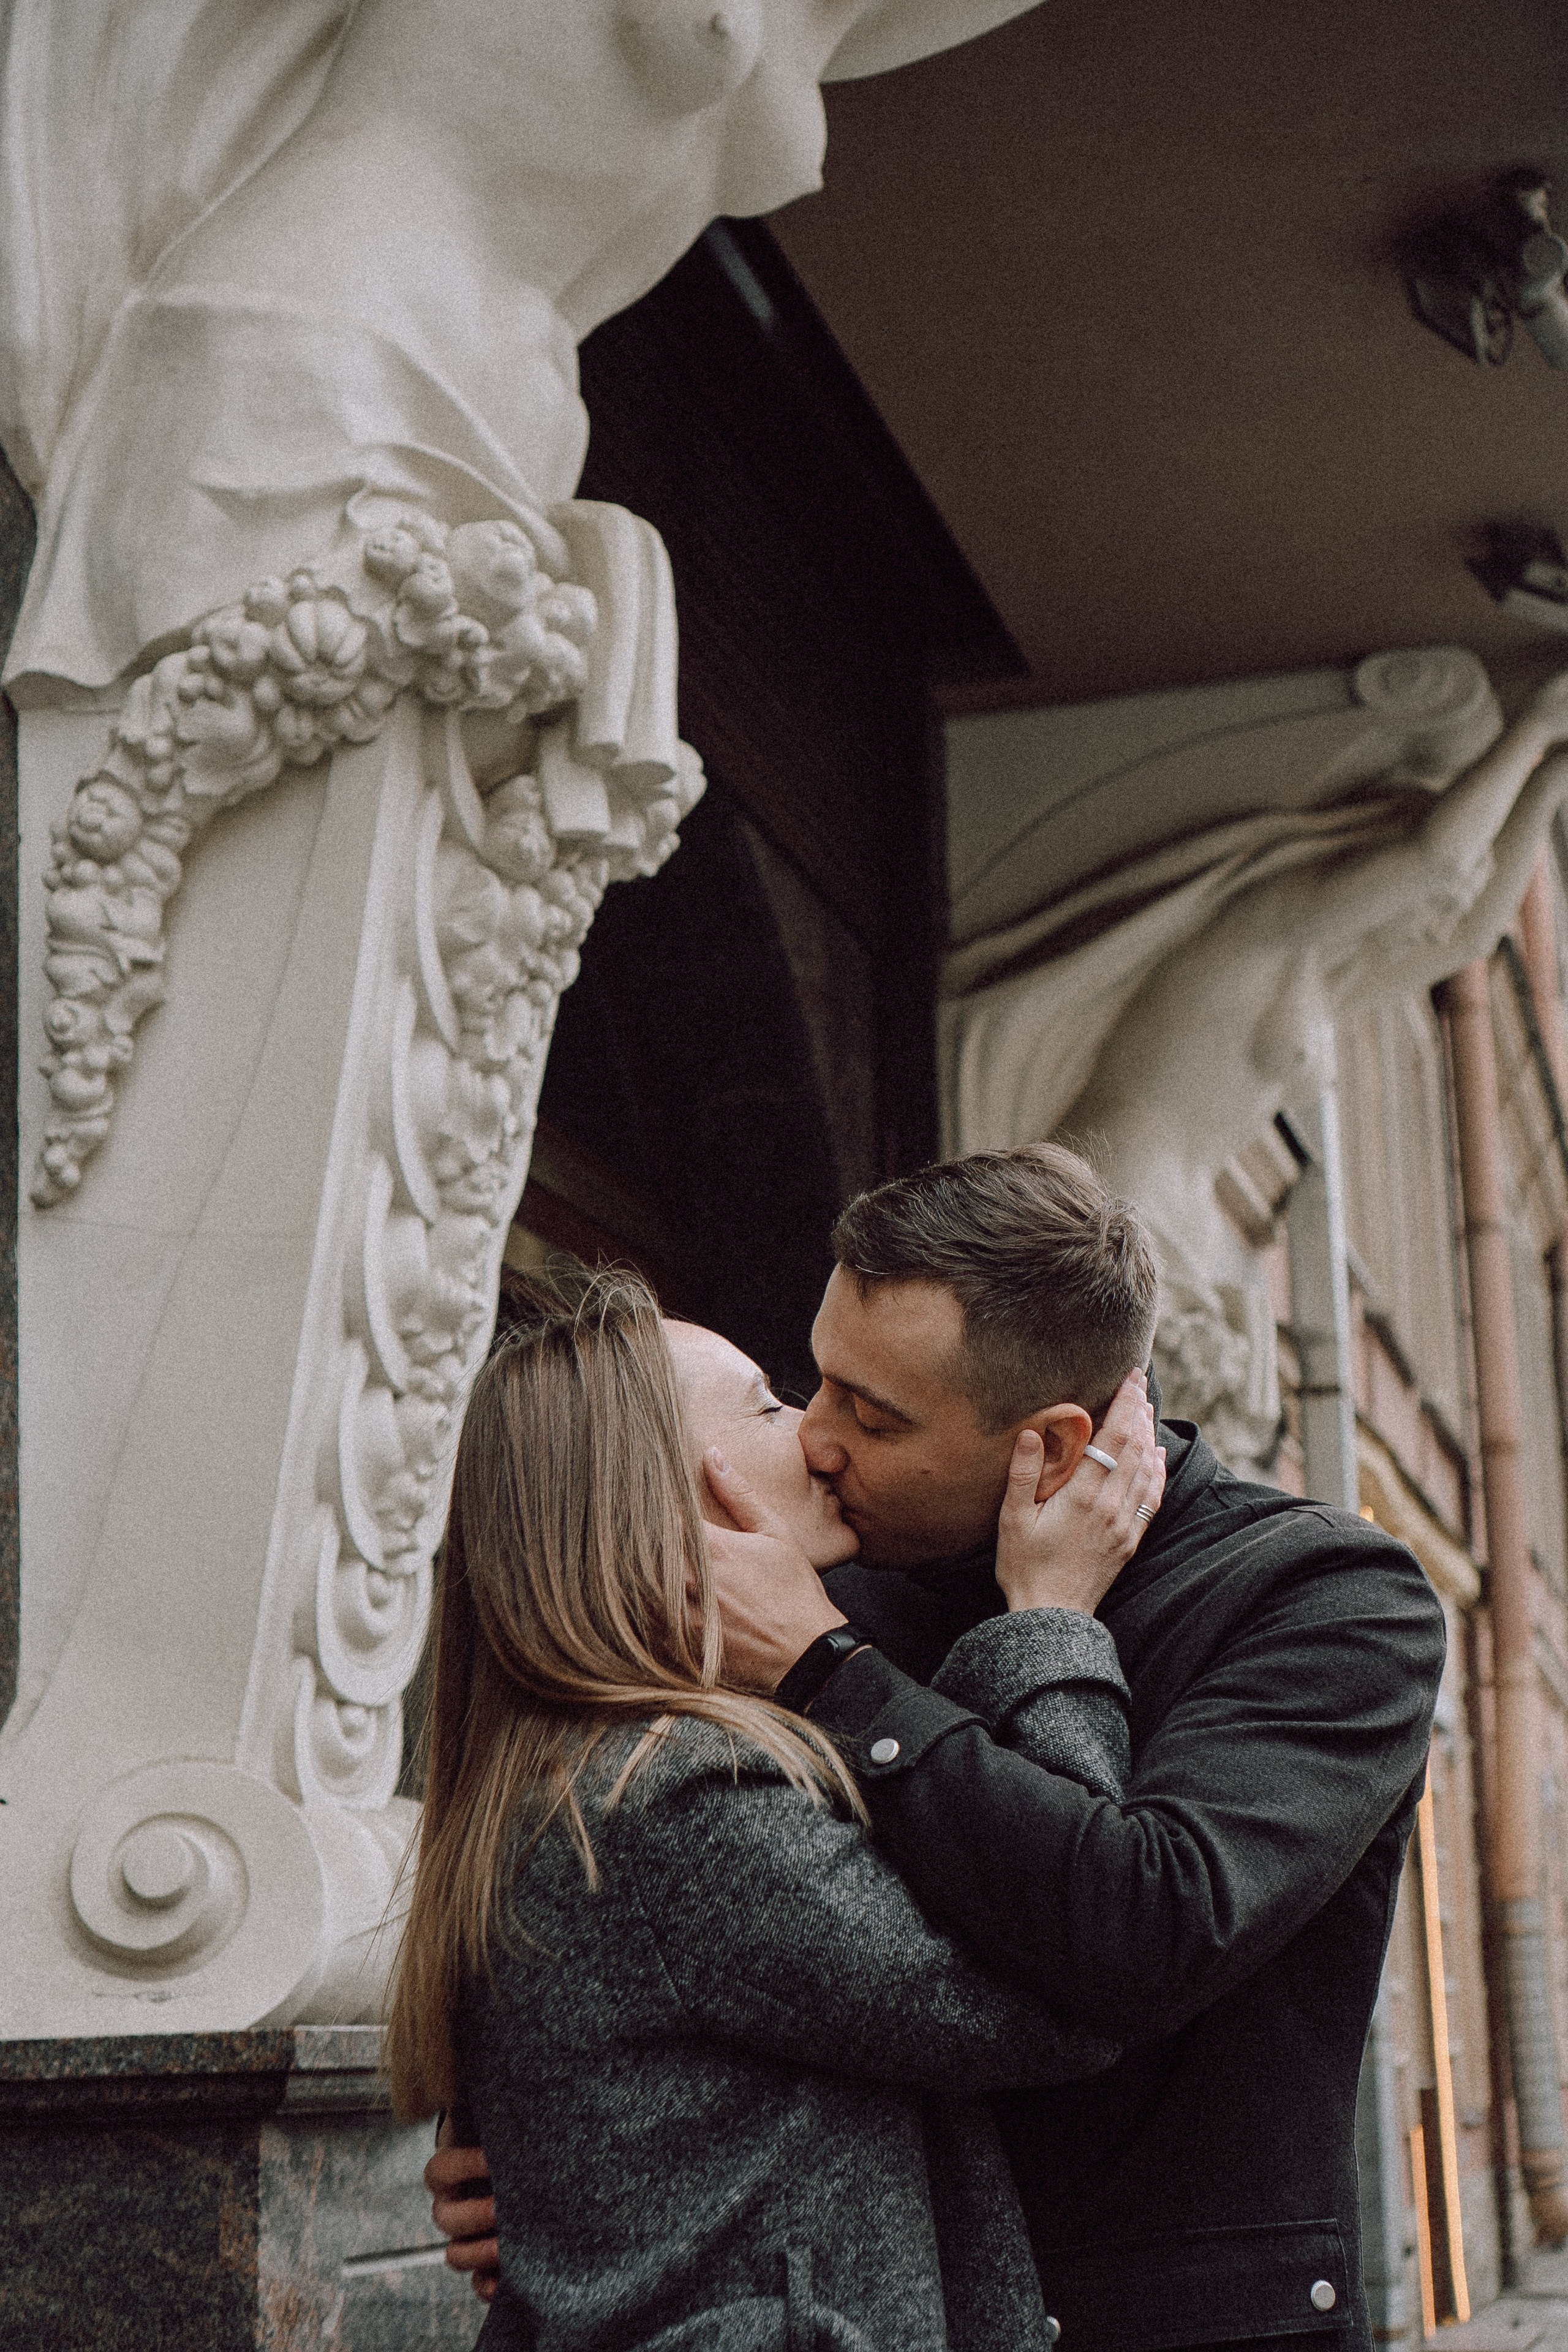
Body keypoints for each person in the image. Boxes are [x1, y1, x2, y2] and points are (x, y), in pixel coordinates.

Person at [432, 1145, 1445, 2352]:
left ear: (1052, 1451)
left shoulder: (1319, 1598)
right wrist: (550, 2150)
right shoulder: (829, 1584)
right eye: (813, 1385)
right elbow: (660, 1924)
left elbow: (1140, 1925)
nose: (817, 1437)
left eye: (870, 1414)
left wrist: (869, 1668)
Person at [393, 1264, 1166, 2350]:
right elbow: (1069, 1981)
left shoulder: (592, 1778)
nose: (814, 1433)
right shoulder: (677, 1803)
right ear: (667, 1494)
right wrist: (1050, 1615)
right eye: (768, 1403)